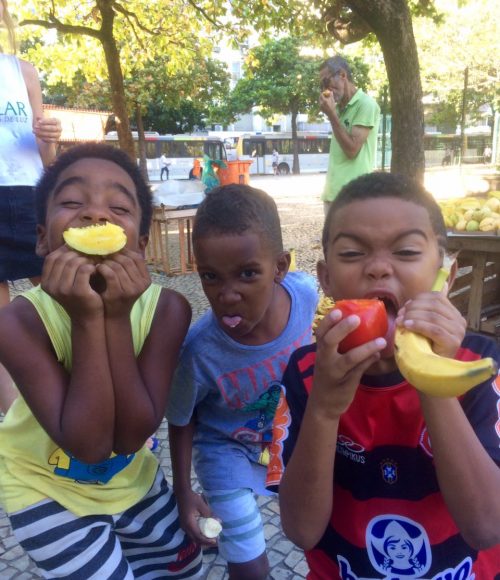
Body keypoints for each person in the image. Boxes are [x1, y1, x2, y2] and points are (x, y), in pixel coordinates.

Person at [267, 172, 500, 578]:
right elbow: (301, 530)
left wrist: (433, 377)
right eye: (353, 254)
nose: (378, 269)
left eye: (407, 251)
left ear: (447, 275)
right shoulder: (308, 373)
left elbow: (486, 526)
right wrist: (324, 410)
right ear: (325, 279)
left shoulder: (477, 367)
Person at [0, 143, 203, 578]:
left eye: (118, 207)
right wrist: (90, 319)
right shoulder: (15, 323)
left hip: (132, 476)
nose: (95, 215)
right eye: (73, 202)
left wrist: (115, 315)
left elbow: (131, 436)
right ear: (42, 238)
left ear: (143, 245)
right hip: (43, 486)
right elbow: (90, 445)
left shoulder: (168, 310)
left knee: (184, 571)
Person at [166, 183, 318, 579]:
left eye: (248, 274)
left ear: (281, 267)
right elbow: (181, 420)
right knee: (251, 565)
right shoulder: (199, 351)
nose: (228, 295)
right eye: (211, 276)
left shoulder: (305, 296)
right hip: (226, 453)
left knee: (318, 529)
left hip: (287, 444)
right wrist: (184, 493)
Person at [0, 0, 62, 413]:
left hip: (28, 196)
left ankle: (77, 394)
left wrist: (51, 137)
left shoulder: (22, 72)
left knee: (63, 303)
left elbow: (47, 158)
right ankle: (13, 421)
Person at [319, 55, 380, 213]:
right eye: (322, 84)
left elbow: (352, 149)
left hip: (355, 198)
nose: (324, 88)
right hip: (332, 196)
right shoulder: (338, 108)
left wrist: (332, 115)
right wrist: (334, 113)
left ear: (342, 75)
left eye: (326, 81)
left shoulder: (366, 105)